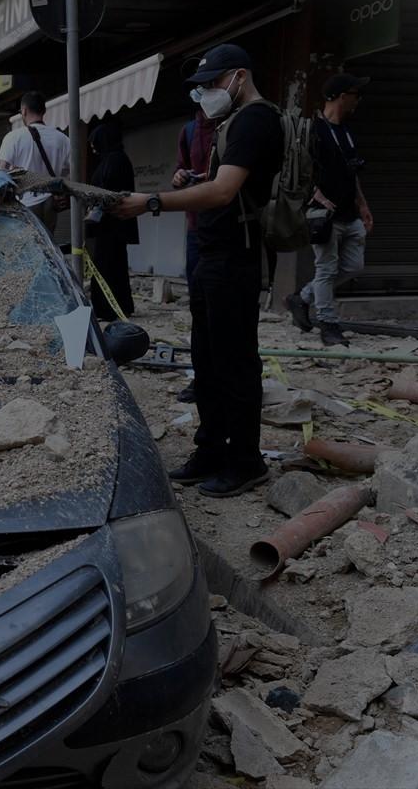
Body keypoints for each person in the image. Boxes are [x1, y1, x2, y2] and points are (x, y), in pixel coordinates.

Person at [112, 43, 283, 498]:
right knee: (206, 360)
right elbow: (221, 184)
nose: (206, 92)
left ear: (239, 77)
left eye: (212, 83)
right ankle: (210, 448)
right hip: (210, 253)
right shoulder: (228, 123)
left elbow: (226, 193)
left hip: (234, 257)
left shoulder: (256, 119)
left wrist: (151, 201)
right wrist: (191, 181)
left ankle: (246, 461)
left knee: (236, 363)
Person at [286, 73, 374, 347]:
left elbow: (352, 173)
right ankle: (329, 325)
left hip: (349, 212)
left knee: (353, 266)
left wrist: (362, 204)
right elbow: (296, 171)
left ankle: (302, 298)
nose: (358, 99)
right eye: (354, 93)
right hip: (322, 216)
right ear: (339, 96)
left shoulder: (347, 133)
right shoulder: (313, 130)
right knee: (326, 269)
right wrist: (316, 194)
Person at [171, 109, 219, 404]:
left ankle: (224, 380)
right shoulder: (189, 131)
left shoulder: (239, 124)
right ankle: (202, 380)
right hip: (196, 229)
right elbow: (180, 169)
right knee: (199, 309)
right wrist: (179, 177)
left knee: (224, 310)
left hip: (229, 233)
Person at [0, 91, 72, 230]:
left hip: (23, 203)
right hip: (51, 203)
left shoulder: (13, 137)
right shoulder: (63, 139)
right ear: (44, 111)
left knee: (26, 246)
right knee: (48, 246)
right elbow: (70, 174)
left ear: (24, 111)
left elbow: (2, 173)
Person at [86, 122, 137, 320]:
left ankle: (108, 309)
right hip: (111, 225)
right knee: (112, 265)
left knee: (106, 265)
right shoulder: (113, 159)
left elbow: (108, 190)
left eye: (94, 142)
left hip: (111, 224)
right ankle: (118, 306)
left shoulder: (114, 161)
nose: (92, 147)